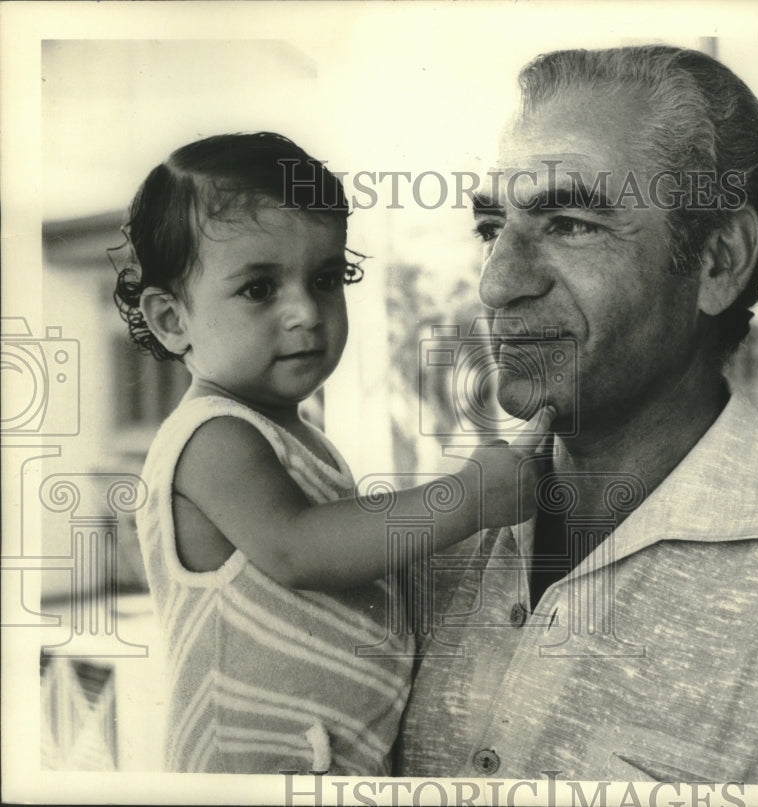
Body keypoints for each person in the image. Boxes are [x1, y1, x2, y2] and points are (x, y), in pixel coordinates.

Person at [396, 46, 758, 786]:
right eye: (490, 228)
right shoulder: (422, 549)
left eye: (569, 222)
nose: (498, 280)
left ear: (720, 261)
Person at [113, 132, 551, 775]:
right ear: (173, 319)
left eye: (324, 279)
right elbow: (301, 549)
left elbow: (356, 561)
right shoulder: (212, 437)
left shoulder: (295, 437)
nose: (305, 313)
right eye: (260, 289)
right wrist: (463, 500)